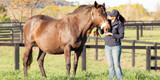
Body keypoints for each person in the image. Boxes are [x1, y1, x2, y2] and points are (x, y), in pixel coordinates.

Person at [101, 9, 126, 80]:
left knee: (116, 65)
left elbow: (121, 36)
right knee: (110, 65)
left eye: (110, 15)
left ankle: (120, 78)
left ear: (114, 16)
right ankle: (111, 78)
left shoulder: (119, 24)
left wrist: (112, 34)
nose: (109, 16)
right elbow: (102, 32)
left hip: (116, 47)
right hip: (107, 46)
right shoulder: (107, 22)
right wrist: (101, 28)